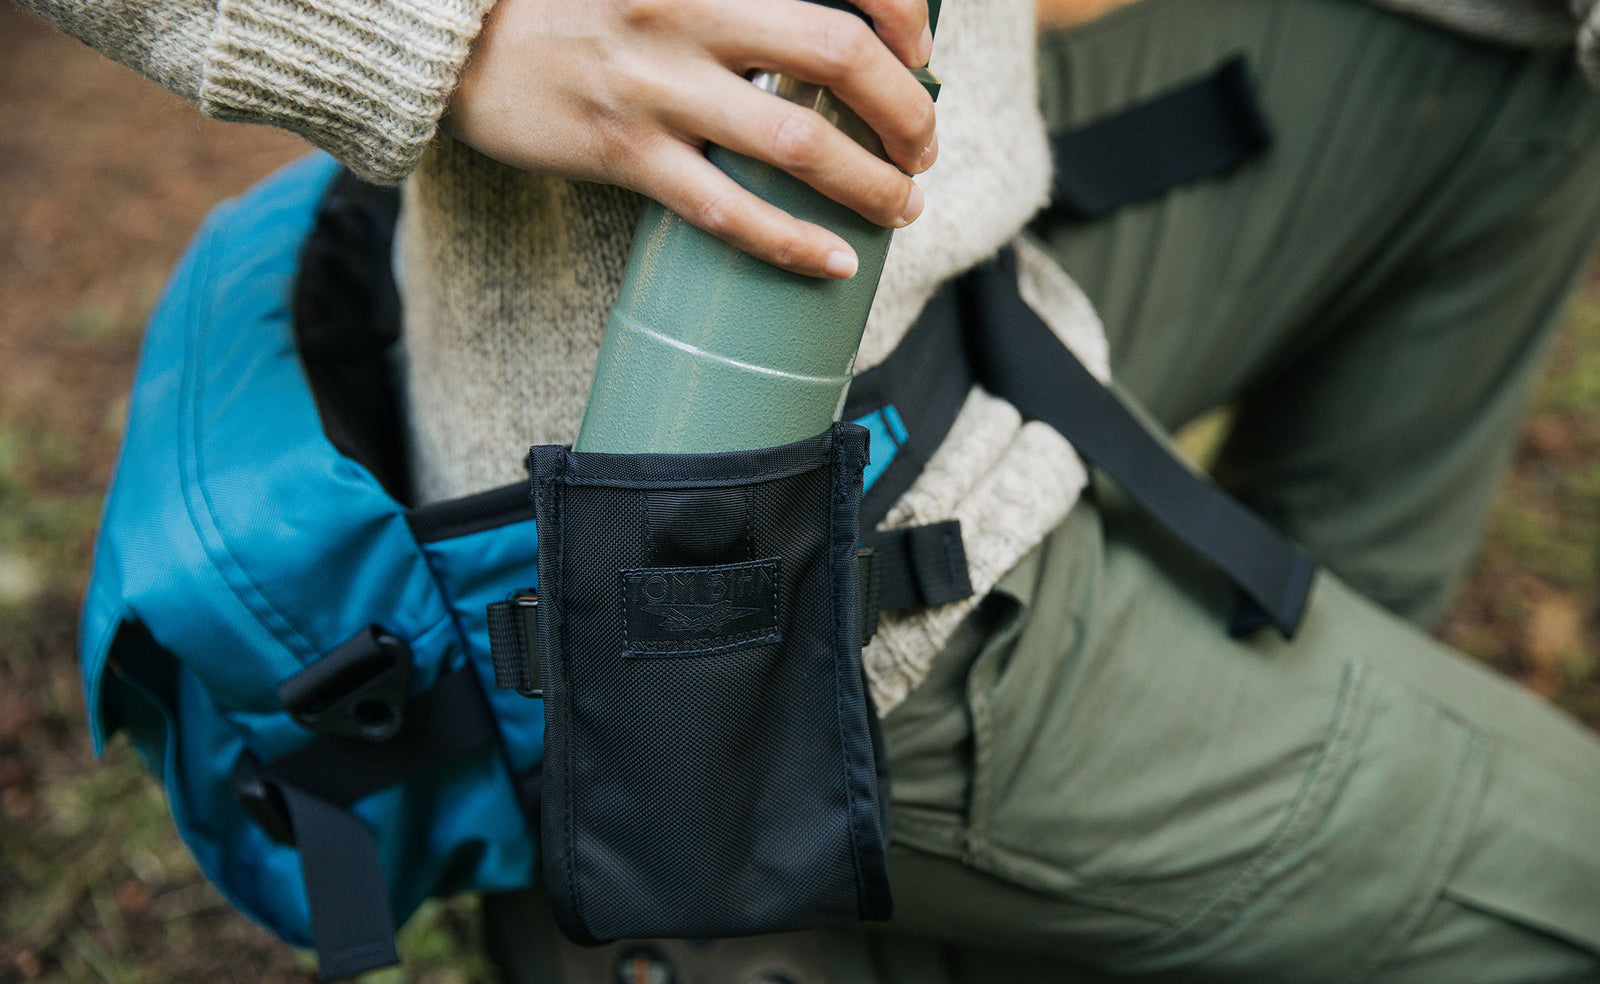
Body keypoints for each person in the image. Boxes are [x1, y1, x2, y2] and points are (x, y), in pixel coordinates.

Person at [16, 0, 1600, 979]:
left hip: (945, 257)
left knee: (1504, 47)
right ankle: (712, 885)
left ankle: (1273, 815)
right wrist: (455, 29)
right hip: (725, 534)